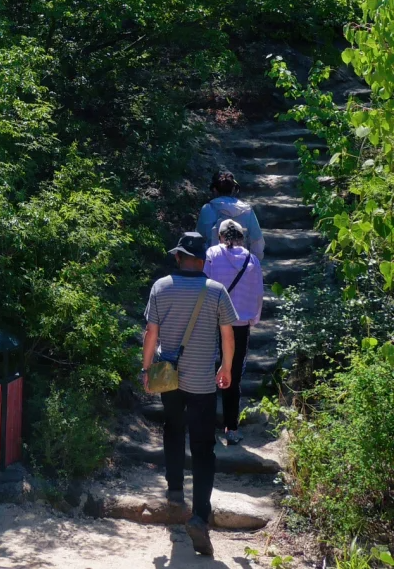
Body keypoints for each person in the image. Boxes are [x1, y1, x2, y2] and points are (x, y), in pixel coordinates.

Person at [143, 229, 240, 557]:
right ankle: (199, 515)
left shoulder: (161, 287)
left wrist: (146, 370)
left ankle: (173, 491)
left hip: (169, 378)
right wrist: (225, 369)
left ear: (179, 257)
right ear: (202, 261)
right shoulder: (216, 291)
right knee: (203, 448)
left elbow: (151, 333)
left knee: (172, 428)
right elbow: (229, 336)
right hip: (202, 382)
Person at [204, 218, 263, 443]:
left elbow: (205, 286)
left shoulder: (211, 254)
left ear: (220, 237)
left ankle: (205, 424)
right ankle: (232, 428)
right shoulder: (252, 260)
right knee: (233, 376)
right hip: (238, 326)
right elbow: (258, 293)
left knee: (207, 371)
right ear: (241, 238)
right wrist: (253, 319)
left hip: (212, 323)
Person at [197, 169, 265, 259]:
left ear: (214, 190)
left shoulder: (207, 209)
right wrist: (253, 263)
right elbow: (257, 241)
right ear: (233, 189)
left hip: (214, 266)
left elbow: (199, 240)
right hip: (242, 265)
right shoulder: (247, 210)